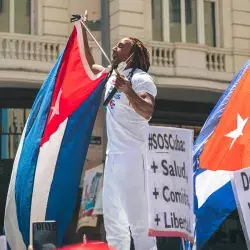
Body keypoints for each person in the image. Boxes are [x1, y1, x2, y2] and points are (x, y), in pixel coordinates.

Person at [81, 12, 157, 250]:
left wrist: (128, 91)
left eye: (121, 45)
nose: (115, 47)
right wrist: (81, 29)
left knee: (139, 224)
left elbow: (147, 111)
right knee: (114, 226)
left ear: (133, 54)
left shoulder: (142, 79)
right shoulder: (112, 77)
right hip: (113, 159)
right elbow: (88, 62)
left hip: (135, 158)